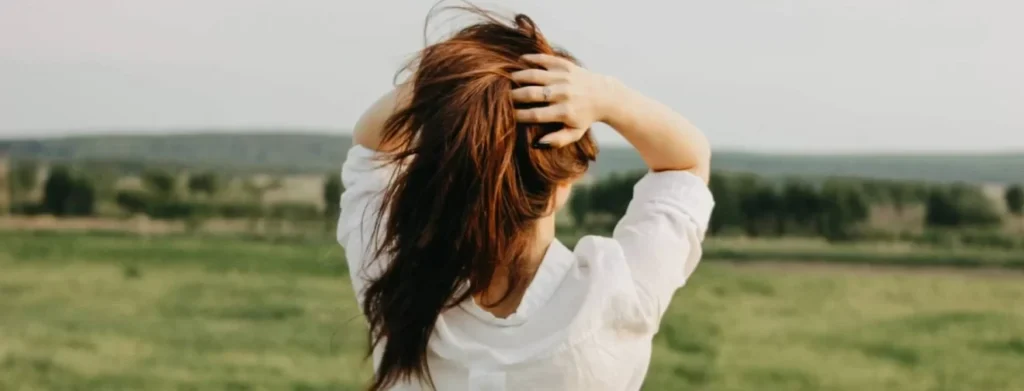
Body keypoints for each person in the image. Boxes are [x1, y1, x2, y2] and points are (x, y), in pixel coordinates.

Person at [337, 8, 713, 391]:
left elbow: (371, 148)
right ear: (566, 179)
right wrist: (606, 96)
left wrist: (458, 82)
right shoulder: (614, 295)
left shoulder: (396, 282)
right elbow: (687, 165)